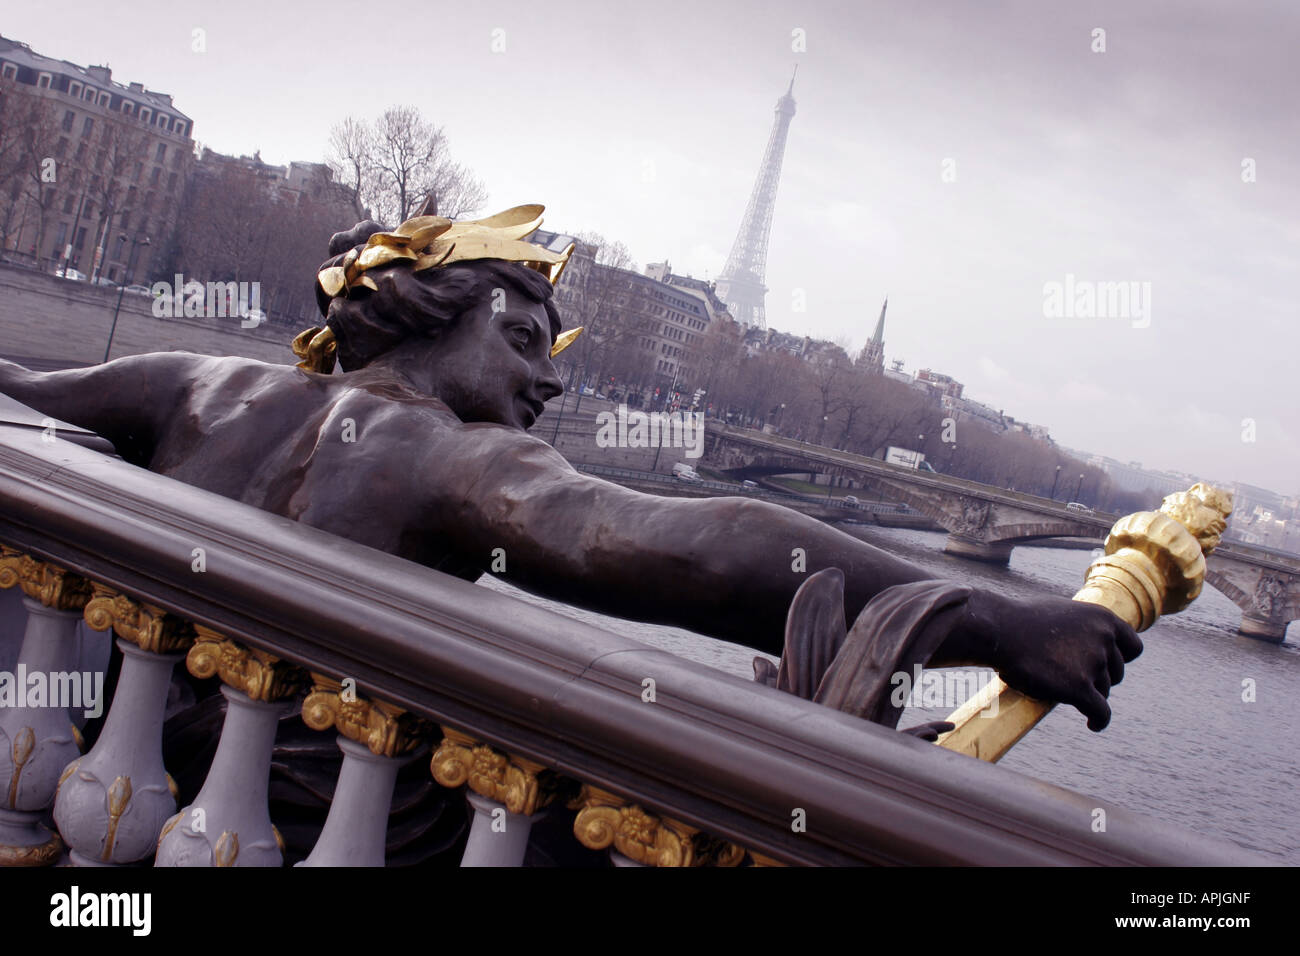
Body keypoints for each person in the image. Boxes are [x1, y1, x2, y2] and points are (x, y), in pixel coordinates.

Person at [0, 204, 1140, 733]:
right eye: (525, 343)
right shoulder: (446, 454)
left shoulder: (198, 383)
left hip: (98, 748)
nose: (550, 386)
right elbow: (693, 542)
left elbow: (21, 394)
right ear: (438, 310)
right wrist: (996, 617)